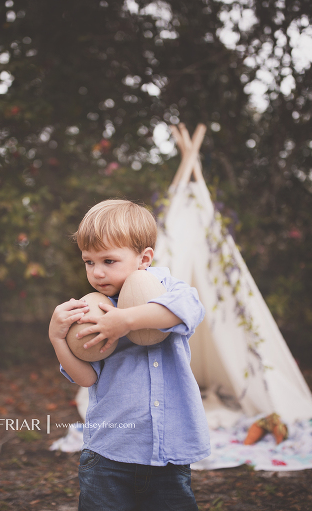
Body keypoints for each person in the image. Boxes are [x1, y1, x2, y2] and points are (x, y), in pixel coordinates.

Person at [48, 199, 210, 511]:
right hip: (108, 453)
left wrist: (124, 320)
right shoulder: (92, 309)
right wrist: (58, 339)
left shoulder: (168, 290)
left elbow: (189, 310)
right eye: (89, 262)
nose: (97, 272)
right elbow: (86, 378)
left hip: (167, 454)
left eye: (108, 261)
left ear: (143, 258)